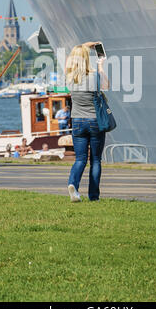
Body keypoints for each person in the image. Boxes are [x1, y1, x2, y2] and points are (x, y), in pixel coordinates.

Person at [65, 42, 109, 202]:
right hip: (94, 121)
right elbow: (106, 85)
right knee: (95, 160)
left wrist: (83, 46)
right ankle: (94, 196)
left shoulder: (70, 77)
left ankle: (73, 185)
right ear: (86, 59)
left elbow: (71, 57)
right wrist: (101, 66)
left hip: (77, 121)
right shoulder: (93, 76)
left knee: (80, 159)